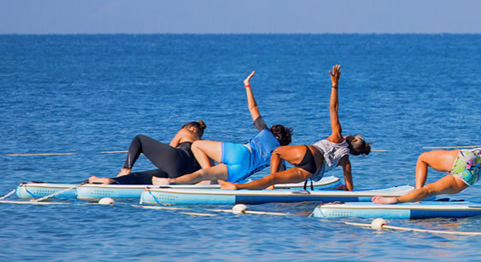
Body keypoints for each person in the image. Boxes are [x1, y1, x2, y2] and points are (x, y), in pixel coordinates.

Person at [374, 80, 481, 205]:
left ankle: (417, 195)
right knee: (431, 190)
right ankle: (399, 200)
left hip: (464, 157)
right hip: (466, 176)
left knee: (422, 158)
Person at [219, 65, 370, 191]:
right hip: (311, 171)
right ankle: (238, 187)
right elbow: (350, 189)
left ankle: (269, 186)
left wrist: (334, 84)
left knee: (277, 152)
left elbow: (333, 108)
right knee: (276, 173)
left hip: (310, 152)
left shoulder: (337, 136)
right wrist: (340, 188)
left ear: (351, 138)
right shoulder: (346, 161)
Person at [152, 71, 292, 185]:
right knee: (204, 174)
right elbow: (280, 178)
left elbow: (253, 108)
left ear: (274, 131)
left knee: (197, 146)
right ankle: (187, 181)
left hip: (240, 152)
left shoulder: (265, 132)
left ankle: (175, 181)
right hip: (243, 171)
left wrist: (247, 85)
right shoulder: (280, 155)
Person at [87, 121, 208, 185]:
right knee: (140, 177)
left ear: (192, 128)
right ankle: (112, 181)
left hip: (176, 159)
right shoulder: (202, 143)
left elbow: (172, 147)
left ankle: (125, 169)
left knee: (139, 139)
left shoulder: (186, 131)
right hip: (185, 172)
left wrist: (162, 160)